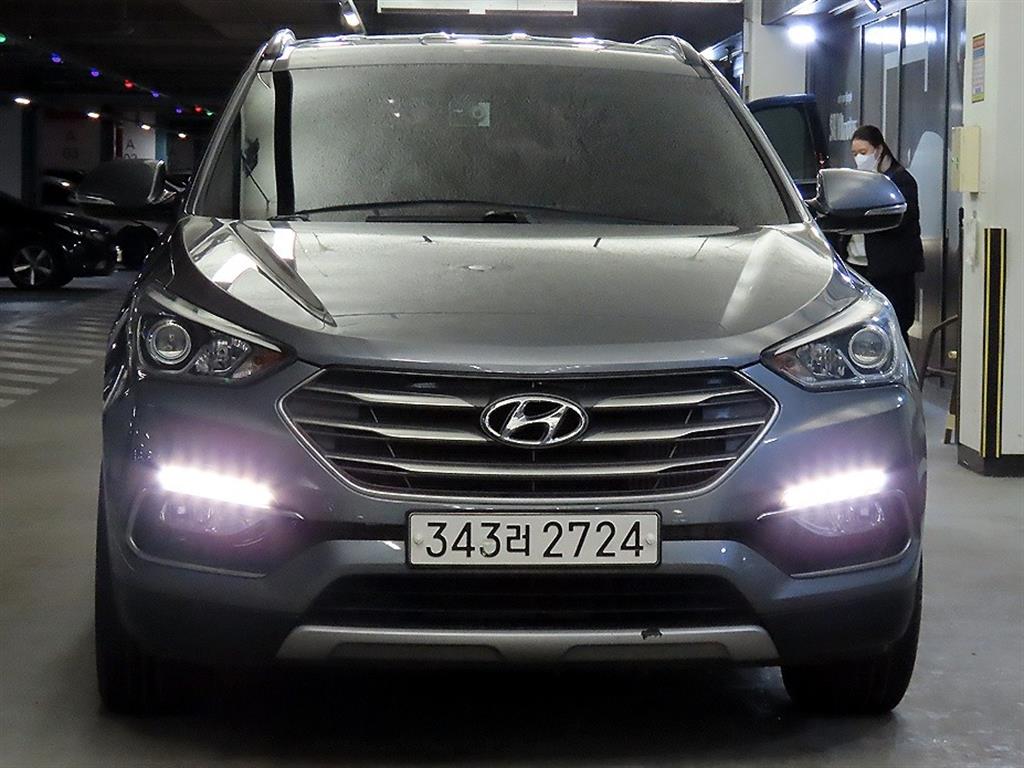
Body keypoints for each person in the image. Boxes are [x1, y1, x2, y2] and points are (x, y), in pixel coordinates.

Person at [844, 125, 924, 342]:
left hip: (890, 269)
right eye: (854, 154)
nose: (859, 158)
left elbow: (903, 219)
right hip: (857, 265)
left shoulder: (900, 181)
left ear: (878, 150)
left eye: (863, 152)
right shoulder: (856, 181)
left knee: (894, 325)